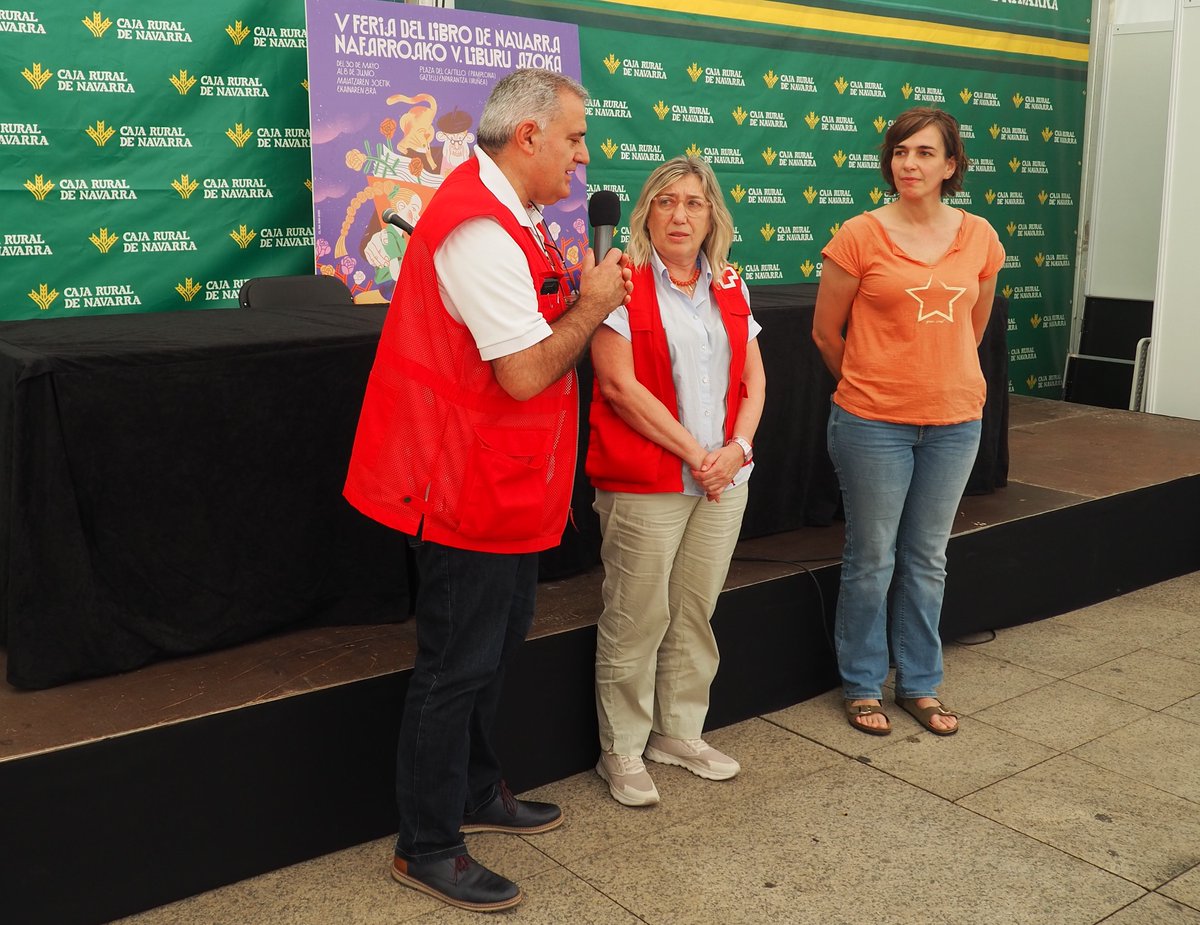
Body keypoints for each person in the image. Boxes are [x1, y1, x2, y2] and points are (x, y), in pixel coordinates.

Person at [343, 69, 632, 912]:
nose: (584, 157)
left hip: (505, 482)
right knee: (456, 663)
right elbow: (525, 370)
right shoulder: (478, 226)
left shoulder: (517, 212)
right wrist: (590, 302)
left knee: (496, 644)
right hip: (463, 482)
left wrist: (572, 292)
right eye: (575, 139)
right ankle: (426, 843)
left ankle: (473, 787)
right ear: (531, 136)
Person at [812, 107, 1004, 738]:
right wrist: (872, 385)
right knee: (871, 558)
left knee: (926, 559)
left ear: (951, 166)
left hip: (955, 421)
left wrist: (938, 379)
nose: (909, 164)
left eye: (924, 153)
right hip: (873, 424)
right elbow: (824, 331)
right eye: (900, 152)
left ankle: (920, 684)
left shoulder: (979, 237)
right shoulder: (858, 235)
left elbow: (971, 331)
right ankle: (864, 685)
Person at [586, 156, 766, 806]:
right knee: (637, 615)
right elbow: (618, 386)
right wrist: (699, 452)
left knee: (695, 611)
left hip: (722, 480)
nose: (680, 214)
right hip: (649, 480)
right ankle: (623, 749)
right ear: (646, 214)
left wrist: (737, 449)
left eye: (693, 201)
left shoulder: (729, 284)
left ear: (712, 213)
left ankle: (678, 732)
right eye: (666, 202)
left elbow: (755, 379)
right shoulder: (621, 283)